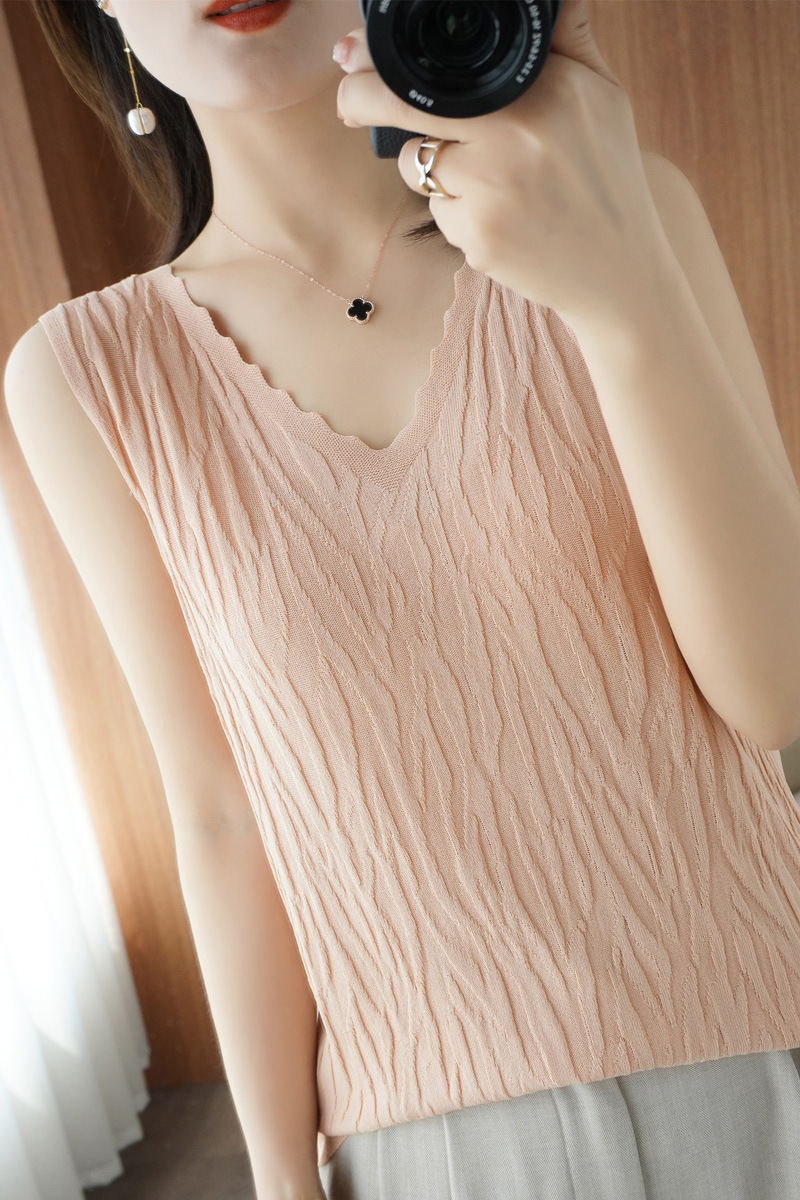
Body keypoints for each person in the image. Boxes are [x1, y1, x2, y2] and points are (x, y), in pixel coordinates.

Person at [5, 1, 800, 1197]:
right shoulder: (91, 377)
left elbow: (772, 694)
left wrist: (620, 293)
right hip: (428, 1140)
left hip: (759, 1050)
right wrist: (280, 1179)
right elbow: (221, 812)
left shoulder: (621, 213)